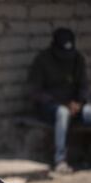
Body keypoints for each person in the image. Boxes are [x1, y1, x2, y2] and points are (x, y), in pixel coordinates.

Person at [29, 27, 91, 173]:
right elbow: (35, 92)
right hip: (50, 108)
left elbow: (83, 86)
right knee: (63, 113)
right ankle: (60, 160)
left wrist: (79, 102)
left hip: (75, 106)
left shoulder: (77, 59)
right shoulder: (42, 61)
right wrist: (60, 103)